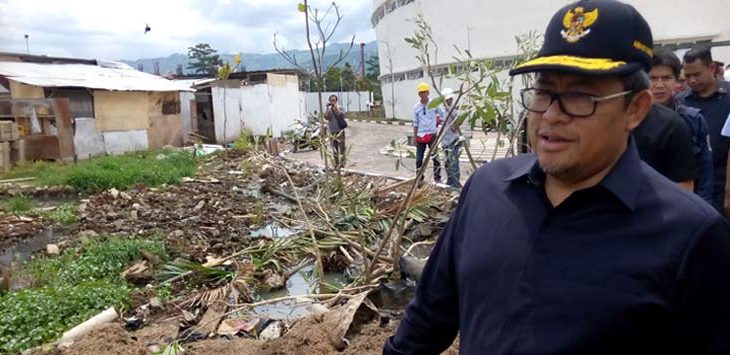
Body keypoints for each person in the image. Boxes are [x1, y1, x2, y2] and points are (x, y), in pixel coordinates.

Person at [384, 1, 730, 354]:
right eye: (544, 91)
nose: (551, 115)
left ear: (635, 109)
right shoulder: (486, 191)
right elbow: (425, 323)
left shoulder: (690, 237)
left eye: (580, 96)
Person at [645, 48, 712, 203]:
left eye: (666, 78)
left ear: (676, 80)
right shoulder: (631, 121)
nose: (659, 85)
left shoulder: (693, 120)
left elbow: (705, 174)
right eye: (653, 78)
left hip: (687, 206)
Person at [680, 47, 730, 216]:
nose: (692, 80)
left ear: (711, 68)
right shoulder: (680, 103)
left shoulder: (728, 96)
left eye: (697, 74)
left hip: (724, 180)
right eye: (687, 76)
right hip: (696, 184)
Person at [413, 82, 443, 182]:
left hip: (432, 135)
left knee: (435, 158)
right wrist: (415, 136)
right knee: (419, 159)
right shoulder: (416, 107)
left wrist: (438, 121)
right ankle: (419, 178)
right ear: (419, 94)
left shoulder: (434, 104)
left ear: (428, 92)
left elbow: (443, 114)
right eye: (421, 92)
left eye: (424, 92)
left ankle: (437, 178)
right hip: (421, 135)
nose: (423, 94)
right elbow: (415, 123)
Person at [440, 88, 463, 188]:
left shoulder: (454, 111)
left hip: (453, 140)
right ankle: (450, 182)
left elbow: (455, 128)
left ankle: (455, 183)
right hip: (445, 140)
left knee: (453, 163)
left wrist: (454, 124)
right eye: (447, 100)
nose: (449, 101)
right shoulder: (443, 110)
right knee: (447, 163)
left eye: (450, 99)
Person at [325, 94, 347, 169]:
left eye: (334, 100)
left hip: (340, 131)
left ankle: (343, 163)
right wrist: (328, 108)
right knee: (334, 149)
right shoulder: (329, 110)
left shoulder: (340, 108)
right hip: (332, 132)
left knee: (342, 148)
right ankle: (336, 163)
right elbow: (326, 117)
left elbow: (342, 115)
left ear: (336, 101)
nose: (332, 102)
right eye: (331, 100)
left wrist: (337, 109)